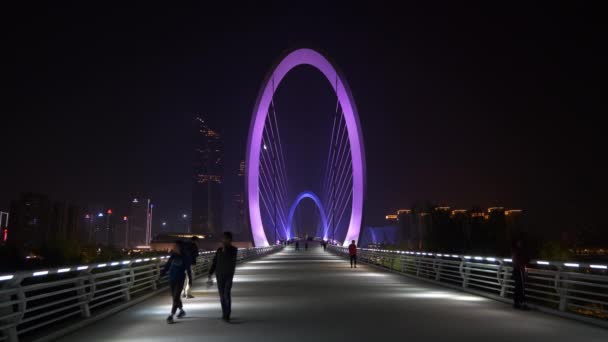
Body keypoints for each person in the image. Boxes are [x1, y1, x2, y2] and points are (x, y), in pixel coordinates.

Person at [208, 232, 238, 322]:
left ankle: (227, 315)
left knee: (226, 294)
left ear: (230, 240)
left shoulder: (234, 250)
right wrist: (210, 273)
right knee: (222, 296)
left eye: (226, 238)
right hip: (219, 275)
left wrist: (225, 250)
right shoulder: (219, 250)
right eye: (223, 238)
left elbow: (231, 260)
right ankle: (224, 313)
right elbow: (215, 262)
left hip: (228, 275)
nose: (224, 240)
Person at [160, 241, 192, 324]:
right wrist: (161, 275)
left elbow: (188, 269)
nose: (173, 247)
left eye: (175, 246)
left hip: (180, 279)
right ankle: (181, 311)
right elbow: (167, 266)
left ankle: (171, 315)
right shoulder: (173, 256)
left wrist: (190, 280)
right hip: (172, 278)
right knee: (175, 297)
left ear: (180, 247)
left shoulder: (184, 257)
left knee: (176, 297)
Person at [511, 237, 530, 310]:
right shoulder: (519, 252)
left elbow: (517, 261)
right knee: (521, 287)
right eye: (520, 242)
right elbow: (523, 261)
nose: (521, 244)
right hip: (519, 270)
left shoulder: (515, 251)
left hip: (516, 270)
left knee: (518, 287)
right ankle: (522, 303)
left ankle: (517, 303)